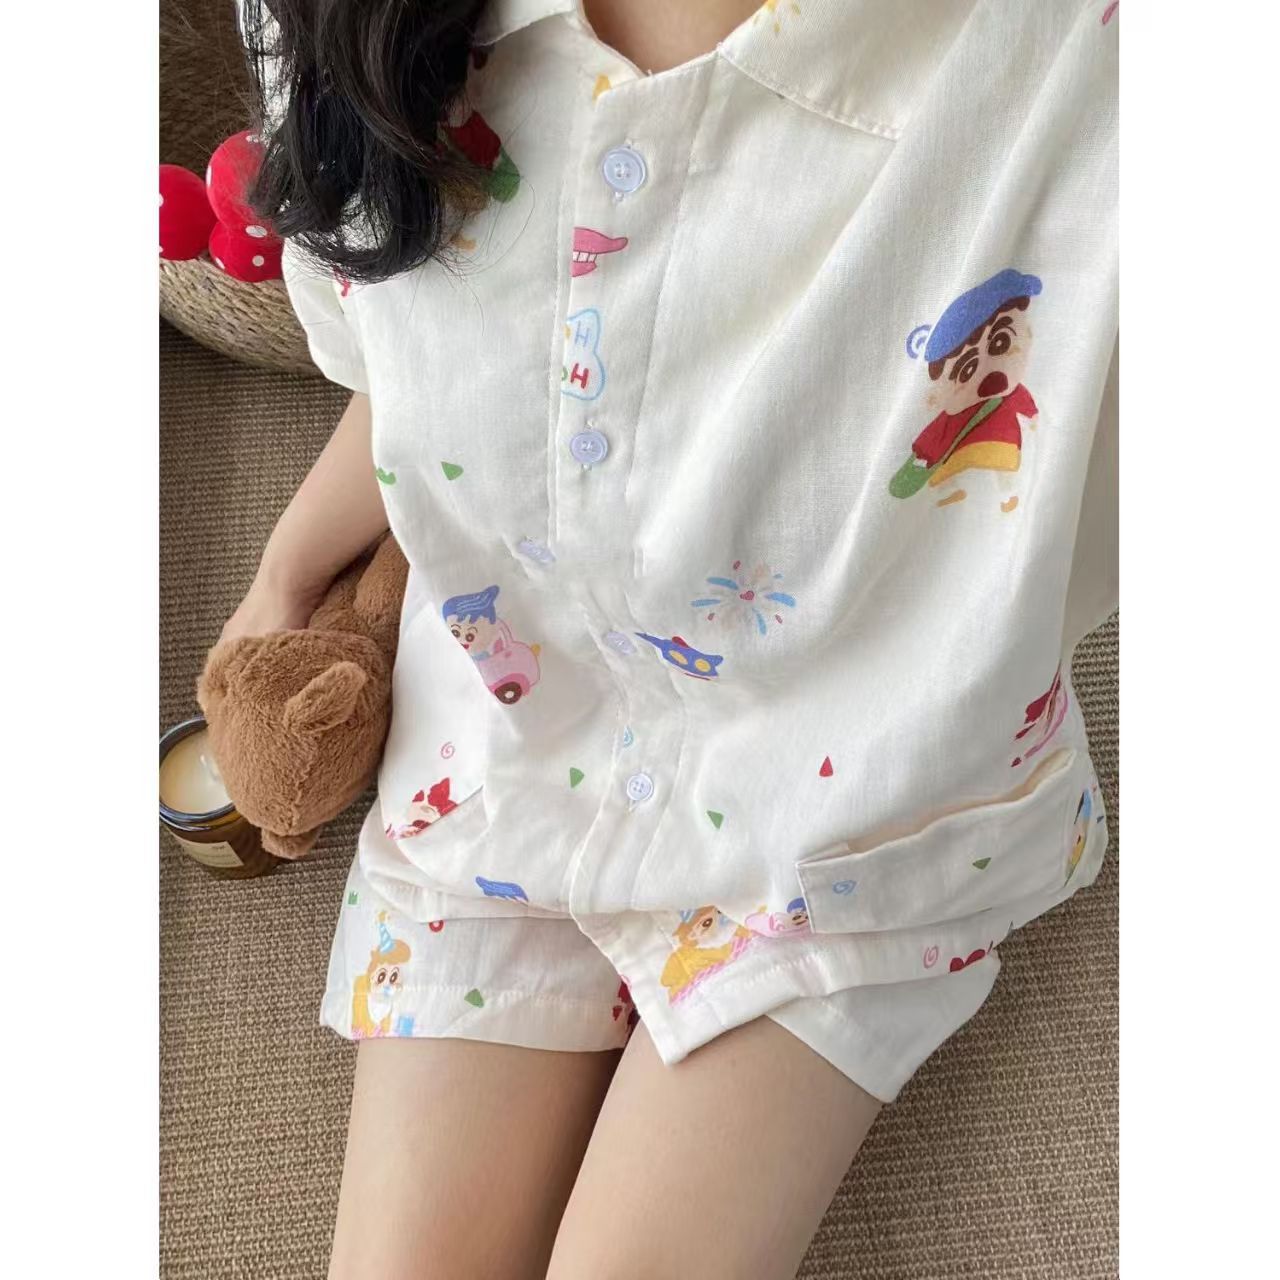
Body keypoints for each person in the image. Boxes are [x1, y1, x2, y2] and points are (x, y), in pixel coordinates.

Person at [224, 2, 1118, 1276]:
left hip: (844, 808)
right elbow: (416, 334)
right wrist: (286, 571)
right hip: (508, 722)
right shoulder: (342, 26)